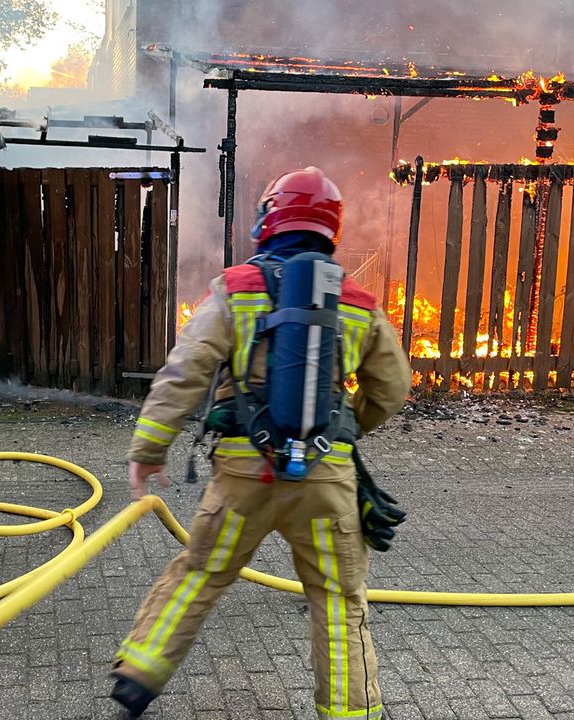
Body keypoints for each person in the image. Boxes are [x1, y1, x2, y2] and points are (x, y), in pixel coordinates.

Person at [110, 167, 412, 719]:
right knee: (339, 602)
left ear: (270, 218)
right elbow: (391, 390)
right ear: (331, 229)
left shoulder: (237, 288)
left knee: (201, 572)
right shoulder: (358, 302)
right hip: (325, 486)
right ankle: (351, 712)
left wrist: (149, 451)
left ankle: (139, 675)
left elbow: (185, 372)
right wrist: (340, 434)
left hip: (244, 479)